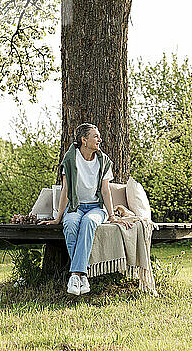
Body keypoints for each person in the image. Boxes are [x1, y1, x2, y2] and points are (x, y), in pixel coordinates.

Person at [39, 123, 133, 295]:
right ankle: (82, 275)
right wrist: (58, 217)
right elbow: (66, 190)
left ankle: (75, 274)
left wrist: (111, 214)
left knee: (89, 222)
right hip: (75, 206)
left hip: (96, 208)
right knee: (71, 224)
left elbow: (105, 190)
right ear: (84, 140)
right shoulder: (70, 159)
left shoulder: (103, 161)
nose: (100, 139)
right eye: (95, 136)